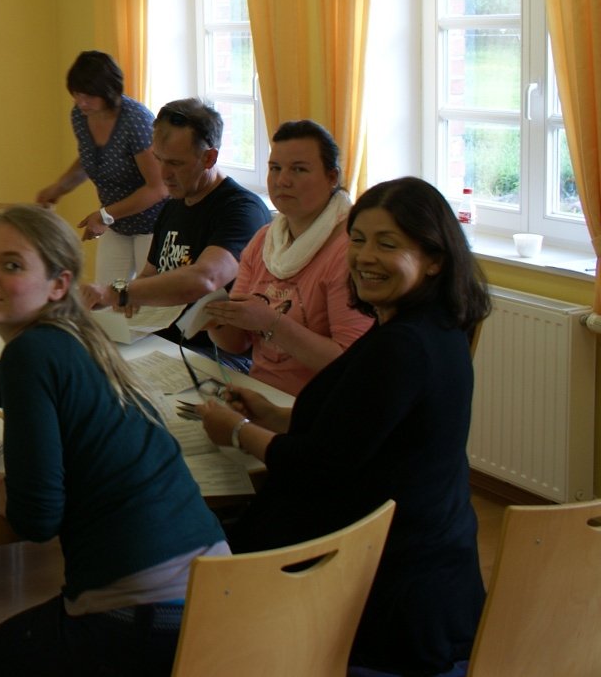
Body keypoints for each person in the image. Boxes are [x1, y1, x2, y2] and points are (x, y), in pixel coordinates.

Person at [0, 207, 227, 677]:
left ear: (57, 284)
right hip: (215, 590)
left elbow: (38, 518)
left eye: (12, 265)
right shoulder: (73, 336)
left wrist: (6, 496)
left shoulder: (31, 353)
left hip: (146, 618)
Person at [198, 177, 490, 677]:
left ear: (435, 258)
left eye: (388, 243)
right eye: (357, 240)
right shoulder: (431, 327)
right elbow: (369, 425)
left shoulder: (401, 346)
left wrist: (237, 431)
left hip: (389, 587)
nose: (365, 256)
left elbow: (316, 464)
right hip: (431, 556)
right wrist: (274, 416)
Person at [82, 98, 270, 364]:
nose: (163, 173)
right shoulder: (173, 206)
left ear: (209, 157)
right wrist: (116, 297)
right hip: (166, 341)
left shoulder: (242, 210)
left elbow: (205, 279)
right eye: (159, 160)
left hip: (217, 354)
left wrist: (116, 292)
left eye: (176, 163)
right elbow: (150, 275)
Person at [199, 120, 372, 394]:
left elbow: (350, 364)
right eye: (275, 168)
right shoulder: (263, 241)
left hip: (315, 407)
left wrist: (270, 322)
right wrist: (217, 320)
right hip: (258, 392)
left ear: (332, 178)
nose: (282, 181)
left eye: (299, 169)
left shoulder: (349, 250)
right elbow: (238, 343)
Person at [34, 51, 168, 284]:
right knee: (105, 300)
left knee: (146, 308)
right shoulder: (80, 115)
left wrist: (105, 215)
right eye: (77, 94)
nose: (81, 102)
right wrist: (58, 189)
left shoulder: (135, 121)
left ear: (109, 92)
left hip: (153, 225)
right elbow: (90, 160)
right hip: (116, 223)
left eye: (89, 96)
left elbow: (158, 188)